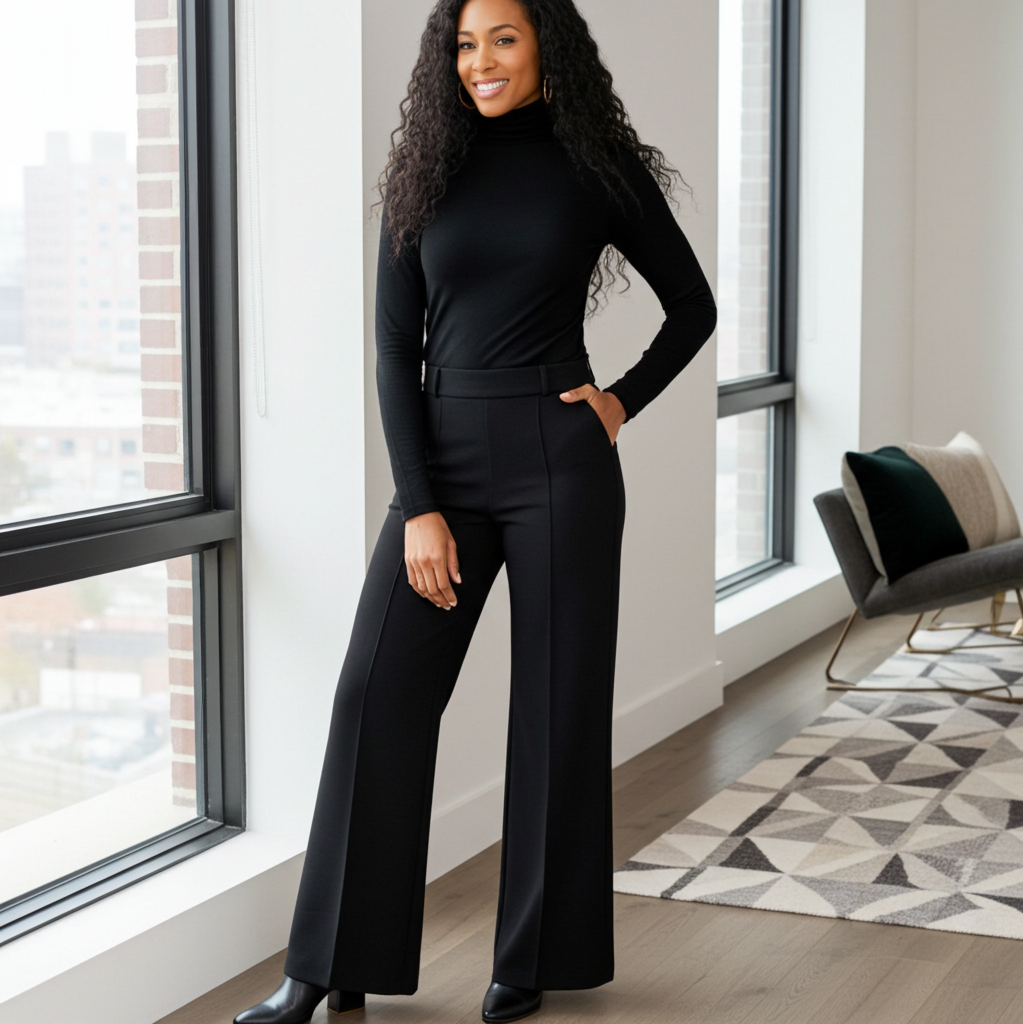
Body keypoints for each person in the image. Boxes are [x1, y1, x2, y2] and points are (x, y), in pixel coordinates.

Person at [235, 0, 715, 1021]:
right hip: (442, 466)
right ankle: (325, 965)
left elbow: (694, 305)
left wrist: (619, 400)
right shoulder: (425, 170)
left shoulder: (599, 166)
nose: (481, 60)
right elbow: (390, 352)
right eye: (463, 43)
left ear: (547, 42)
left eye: (502, 38)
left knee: (556, 708)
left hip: (560, 460)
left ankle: (530, 955)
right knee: (377, 697)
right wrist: (418, 506)